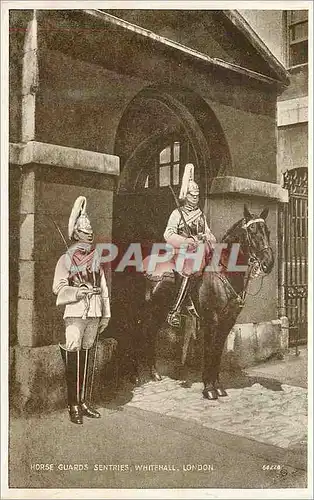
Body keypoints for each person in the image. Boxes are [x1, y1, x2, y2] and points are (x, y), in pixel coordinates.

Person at [53, 196, 111, 424]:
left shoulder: (96, 257)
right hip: (76, 313)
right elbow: (58, 287)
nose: (90, 234)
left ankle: (84, 401)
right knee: (74, 352)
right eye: (85, 231)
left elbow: (103, 287)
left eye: (90, 231)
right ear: (76, 234)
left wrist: (106, 313)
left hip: (94, 312)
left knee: (88, 354)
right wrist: (77, 292)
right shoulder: (65, 259)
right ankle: (73, 404)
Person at [164, 163, 216, 328]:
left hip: (199, 250)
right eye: (193, 195)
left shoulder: (200, 215)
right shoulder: (176, 214)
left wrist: (205, 237)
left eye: (197, 195)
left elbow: (209, 234)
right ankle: (175, 310)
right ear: (186, 195)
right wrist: (185, 241)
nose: (196, 198)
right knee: (188, 268)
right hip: (181, 251)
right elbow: (168, 234)